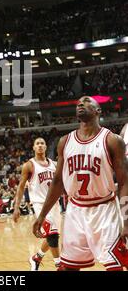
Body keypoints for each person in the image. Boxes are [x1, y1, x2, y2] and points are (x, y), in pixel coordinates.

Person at [33, 96, 128, 271]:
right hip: (75, 210)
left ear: (98, 110)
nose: (80, 104)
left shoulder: (112, 140)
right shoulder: (65, 142)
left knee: (115, 266)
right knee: (68, 267)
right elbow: (58, 181)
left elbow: (124, 183)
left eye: (86, 102)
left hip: (104, 209)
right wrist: (42, 215)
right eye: (78, 103)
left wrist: (127, 220)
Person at [13, 138, 61, 270]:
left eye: (42, 143)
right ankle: (59, 265)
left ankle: (36, 258)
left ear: (46, 147)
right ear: (33, 148)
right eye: (37, 144)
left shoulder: (55, 165)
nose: (40, 146)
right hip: (39, 204)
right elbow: (21, 187)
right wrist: (16, 207)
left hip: (55, 204)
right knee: (53, 235)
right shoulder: (29, 165)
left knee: (53, 235)